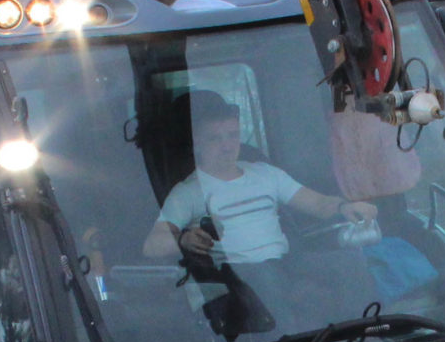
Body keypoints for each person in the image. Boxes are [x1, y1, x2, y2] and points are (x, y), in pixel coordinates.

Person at [140, 94, 375, 267]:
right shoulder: (188, 193)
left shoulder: (266, 174)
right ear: (197, 145)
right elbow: (152, 246)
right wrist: (183, 239)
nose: (226, 146)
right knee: (263, 280)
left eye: (232, 135)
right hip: (238, 278)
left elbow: (318, 204)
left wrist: (346, 207)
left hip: (286, 265)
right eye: (214, 139)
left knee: (349, 264)